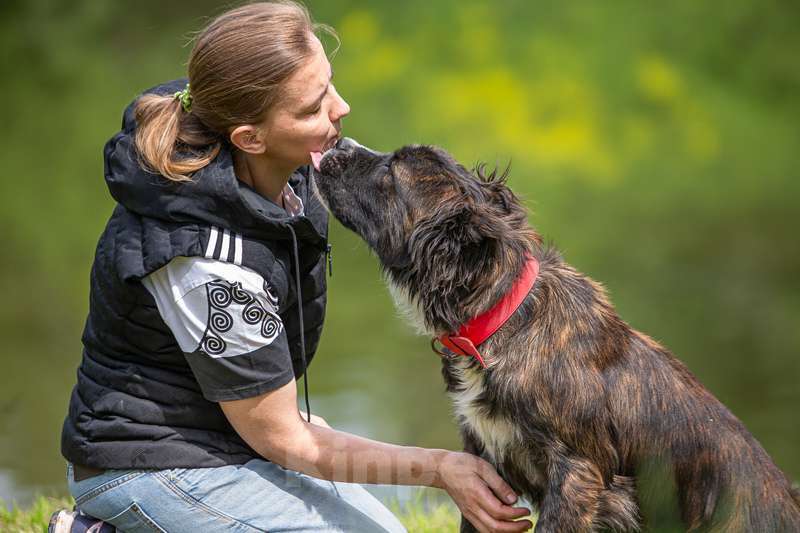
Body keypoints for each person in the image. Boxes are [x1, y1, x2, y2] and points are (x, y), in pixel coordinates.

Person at [50, 2, 532, 532]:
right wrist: (442, 467)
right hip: (147, 465)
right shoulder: (207, 266)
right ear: (250, 137)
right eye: (313, 106)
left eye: (330, 85)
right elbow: (285, 438)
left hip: (230, 434)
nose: (340, 108)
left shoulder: (280, 158)